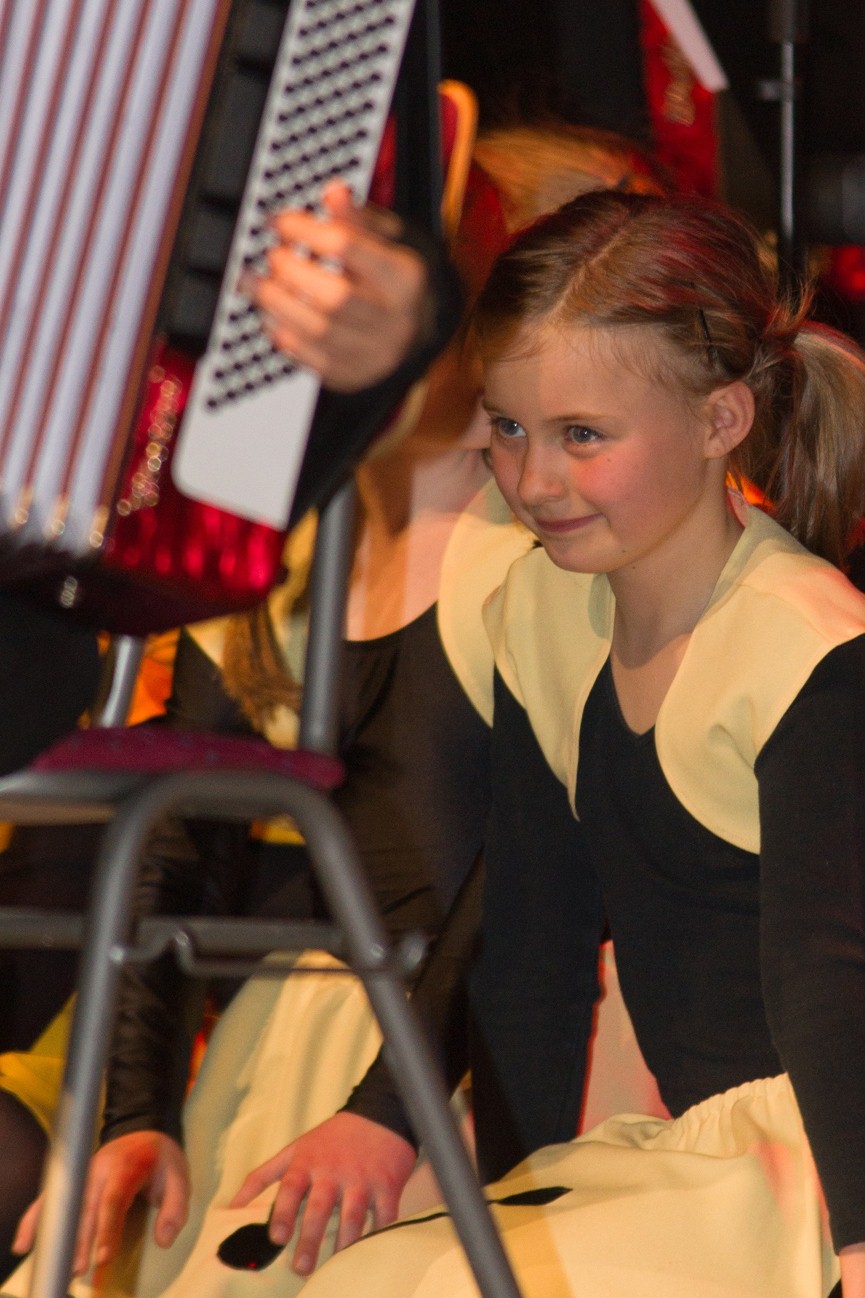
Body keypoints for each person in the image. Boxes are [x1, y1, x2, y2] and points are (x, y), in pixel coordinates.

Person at [296, 188, 865, 1298]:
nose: (533, 479)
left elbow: (826, 974)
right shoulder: (542, 613)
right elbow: (529, 947)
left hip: (820, 1161)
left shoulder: (806, 643)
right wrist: (509, 1208)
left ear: (720, 421)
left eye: (581, 436)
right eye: (507, 428)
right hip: (707, 1156)